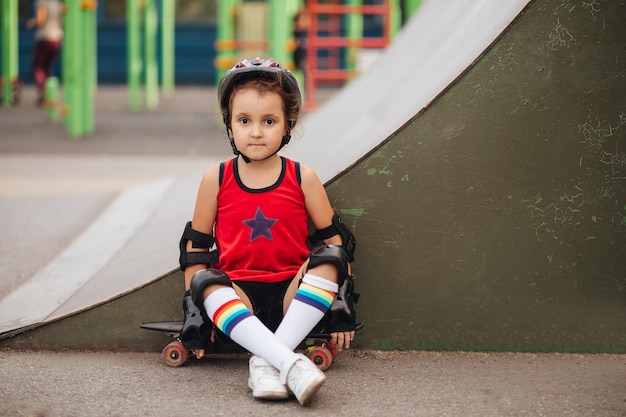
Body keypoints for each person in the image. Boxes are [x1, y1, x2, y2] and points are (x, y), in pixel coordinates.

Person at [178, 58, 359, 406]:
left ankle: (265, 360)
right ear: (229, 124)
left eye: (269, 121)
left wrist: (342, 301)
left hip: (295, 297)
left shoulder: (301, 177)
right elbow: (195, 250)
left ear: (288, 124)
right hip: (238, 297)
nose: (256, 132)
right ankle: (289, 361)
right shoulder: (215, 179)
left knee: (330, 259)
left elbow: (336, 241)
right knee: (206, 281)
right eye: (244, 121)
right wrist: (194, 311)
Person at [27, 0, 63, 106]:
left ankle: (44, 92)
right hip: (57, 37)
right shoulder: (57, 3)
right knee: (47, 67)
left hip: (45, 37)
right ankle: (51, 95)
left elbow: (40, 20)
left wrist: (32, 23)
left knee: (37, 67)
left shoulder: (42, 2)